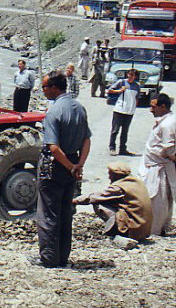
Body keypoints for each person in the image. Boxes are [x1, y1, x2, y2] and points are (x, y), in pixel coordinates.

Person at [30, 71, 91, 268]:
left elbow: (53, 147)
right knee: (65, 212)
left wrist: (70, 166)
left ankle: (48, 257)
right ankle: (63, 256)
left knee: (48, 213)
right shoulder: (79, 108)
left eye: (45, 87)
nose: (43, 90)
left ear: (55, 88)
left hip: (55, 166)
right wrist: (78, 165)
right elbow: (86, 140)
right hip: (71, 164)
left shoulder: (54, 112)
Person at [73, 162, 152, 242]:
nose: (109, 177)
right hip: (145, 228)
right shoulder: (136, 182)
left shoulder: (119, 188)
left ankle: (115, 231)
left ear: (116, 175)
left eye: (110, 174)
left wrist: (75, 200)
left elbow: (97, 196)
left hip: (134, 230)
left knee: (99, 203)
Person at [138, 93, 176, 236]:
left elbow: (169, 148)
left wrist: (169, 158)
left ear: (163, 106)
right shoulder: (164, 121)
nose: (150, 110)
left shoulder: (168, 124)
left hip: (159, 168)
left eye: (154, 107)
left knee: (157, 201)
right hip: (154, 166)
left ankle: (155, 230)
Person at [107, 68, 140, 156]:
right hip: (119, 110)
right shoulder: (121, 82)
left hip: (129, 111)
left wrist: (134, 107)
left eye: (133, 75)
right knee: (115, 130)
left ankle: (122, 149)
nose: (130, 76)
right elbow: (109, 90)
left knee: (125, 131)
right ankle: (112, 148)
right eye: (130, 74)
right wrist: (120, 90)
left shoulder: (137, 86)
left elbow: (137, 98)